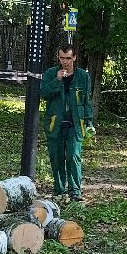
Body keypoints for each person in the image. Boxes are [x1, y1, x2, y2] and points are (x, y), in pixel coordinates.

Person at [41, 43, 95, 200]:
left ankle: (75, 191)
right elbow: (43, 93)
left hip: (75, 124)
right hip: (55, 124)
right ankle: (59, 190)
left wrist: (89, 122)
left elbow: (86, 101)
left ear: (74, 58)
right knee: (57, 157)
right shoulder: (51, 73)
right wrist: (57, 80)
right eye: (62, 58)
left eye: (68, 58)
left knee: (73, 156)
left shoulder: (83, 76)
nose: (65, 61)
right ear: (58, 57)